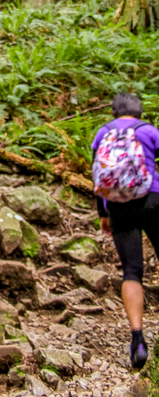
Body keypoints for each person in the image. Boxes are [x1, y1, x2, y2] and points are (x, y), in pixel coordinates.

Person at [92, 92, 159, 369]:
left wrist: (103, 214)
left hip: (118, 206)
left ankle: (137, 340)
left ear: (114, 112)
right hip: (153, 199)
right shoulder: (149, 131)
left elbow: (97, 174)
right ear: (140, 112)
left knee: (132, 270)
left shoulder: (103, 133)